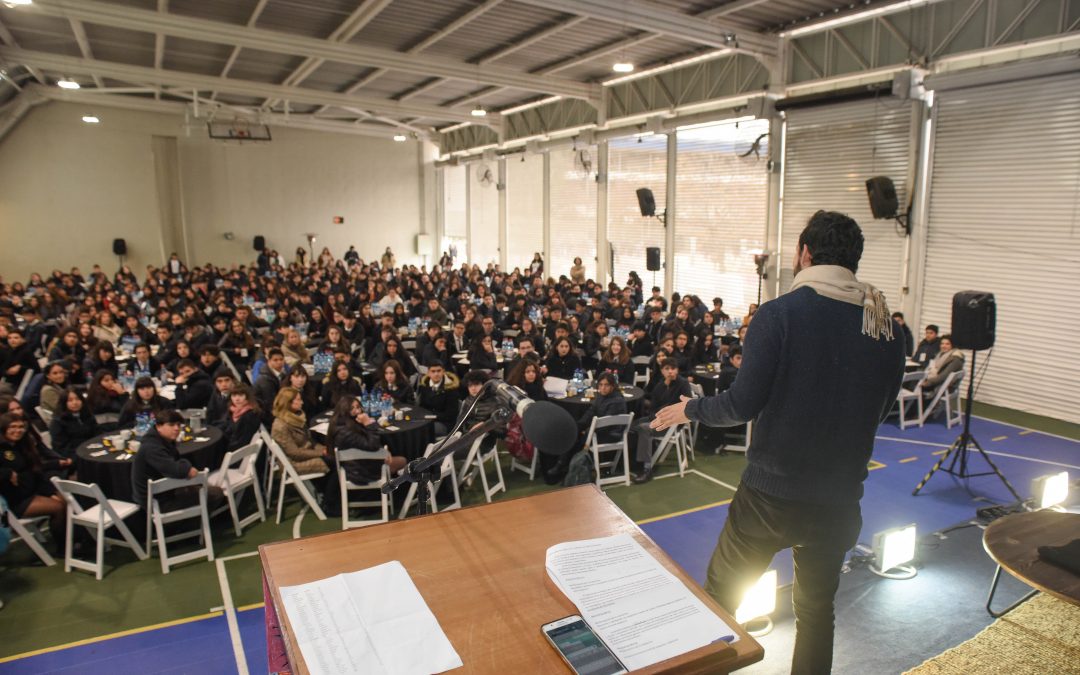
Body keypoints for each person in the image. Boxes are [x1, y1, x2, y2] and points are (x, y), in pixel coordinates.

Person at [650, 210, 905, 674]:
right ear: (854, 262)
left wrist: (691, 408)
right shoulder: (886, 328)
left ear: (804, 255)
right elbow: (882, 410)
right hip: (840, 499)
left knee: (720, 602)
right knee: (815, 615)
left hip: (771, 499)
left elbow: (741, 405)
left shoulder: (781, 314)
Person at [131, 410, 224, 512]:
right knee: (216, 493)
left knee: (202, 487)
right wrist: (187, 468)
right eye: (171, 425)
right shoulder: (152, 448)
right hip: (157, 502)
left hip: (163, 493)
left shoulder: (159, 441)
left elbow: (176, 465)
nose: (176, 429)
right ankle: (191, 523)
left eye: (179, 425)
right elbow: (177, 470)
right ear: (158, 426)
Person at [0, 413, 68, 551]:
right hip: (15, 500)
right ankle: (64, 549)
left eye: (21, 427)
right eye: (12, 427)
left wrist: (49, 491)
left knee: (67, 500)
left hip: (34, 489)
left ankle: (75, 539)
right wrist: (6, 472)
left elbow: (36, 471)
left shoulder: (22, 445)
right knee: (59, 508)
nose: (18, 430)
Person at [632, 359, 692, 483]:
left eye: (673, 368)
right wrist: (656, 417)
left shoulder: (683, 384)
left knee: (644, 428)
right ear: (662, 371)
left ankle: (647, 469)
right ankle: (637, 461)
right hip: (658, 419)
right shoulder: (660, 386)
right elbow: (653, 407)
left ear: (677, 369)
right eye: (667, 369)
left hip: (673, 423)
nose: (670, 371)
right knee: (633, 425)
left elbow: (687, 406)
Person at [271, 387, 328, 476]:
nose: (302, 402)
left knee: (334, 457)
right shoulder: (280, 426)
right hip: (293, 463)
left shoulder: (297, 417)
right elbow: (294, 453)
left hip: (305, 453)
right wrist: (321, 453)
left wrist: (324, 449)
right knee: (332, 462)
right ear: (288, 403)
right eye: (298, 400)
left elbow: (310, 441)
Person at [49, 387, 101, 458]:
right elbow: (60, 447)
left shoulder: (87, 415)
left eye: (77, 399)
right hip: (74, 455)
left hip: (93, 450)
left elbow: (97, 433)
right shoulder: (57, 422)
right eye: (70, 400)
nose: (75, 402)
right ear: (64, 403)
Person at [415, 362, 459, 436]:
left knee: (422, 430)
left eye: (439, 371)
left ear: (443, 371)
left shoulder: (451, 389)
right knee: (415, 426)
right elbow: (422, 406)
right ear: (428, 373)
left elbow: (451, 415)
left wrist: (431, 415)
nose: (436, 374)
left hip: (445, 423)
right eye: (433, 371)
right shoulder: (424, 386)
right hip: (427, 419)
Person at [223, 384, 261, 452]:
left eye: (240, 395)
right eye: (234, 396)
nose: (237, 399)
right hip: (231, 446)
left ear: (247, 397)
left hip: (241, 451)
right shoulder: (231, 410)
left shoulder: (251, 415)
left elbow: (243, 440)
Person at [254, 348, 286, 427]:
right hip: (266, 415)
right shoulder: (264, 379)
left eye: (281, 359)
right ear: (269, 361)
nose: (279, 362)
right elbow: (270, 403)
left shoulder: (282, 374)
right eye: (275, 360)